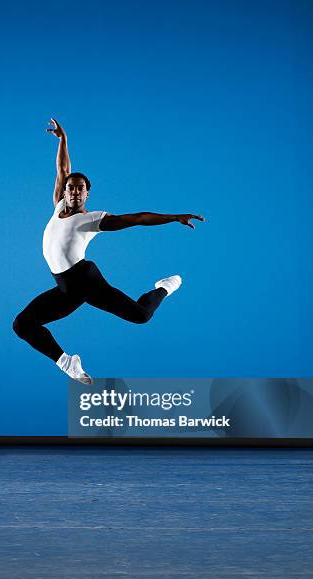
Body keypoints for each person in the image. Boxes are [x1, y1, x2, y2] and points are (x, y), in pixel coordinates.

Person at [13, 118, 204, 384]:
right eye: (71, 187)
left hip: (84, 278)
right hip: (66, 289)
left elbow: (136, 218)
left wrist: (173, 217)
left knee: (141, 316)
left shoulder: (92, 219)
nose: (75, 191)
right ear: (65, 192)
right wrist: (63, 140)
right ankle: (67, 362)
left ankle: (164, 287)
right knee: (22, 325)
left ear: (87, 194)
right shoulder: (58, 207)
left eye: (81, 188)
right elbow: (62, 168)